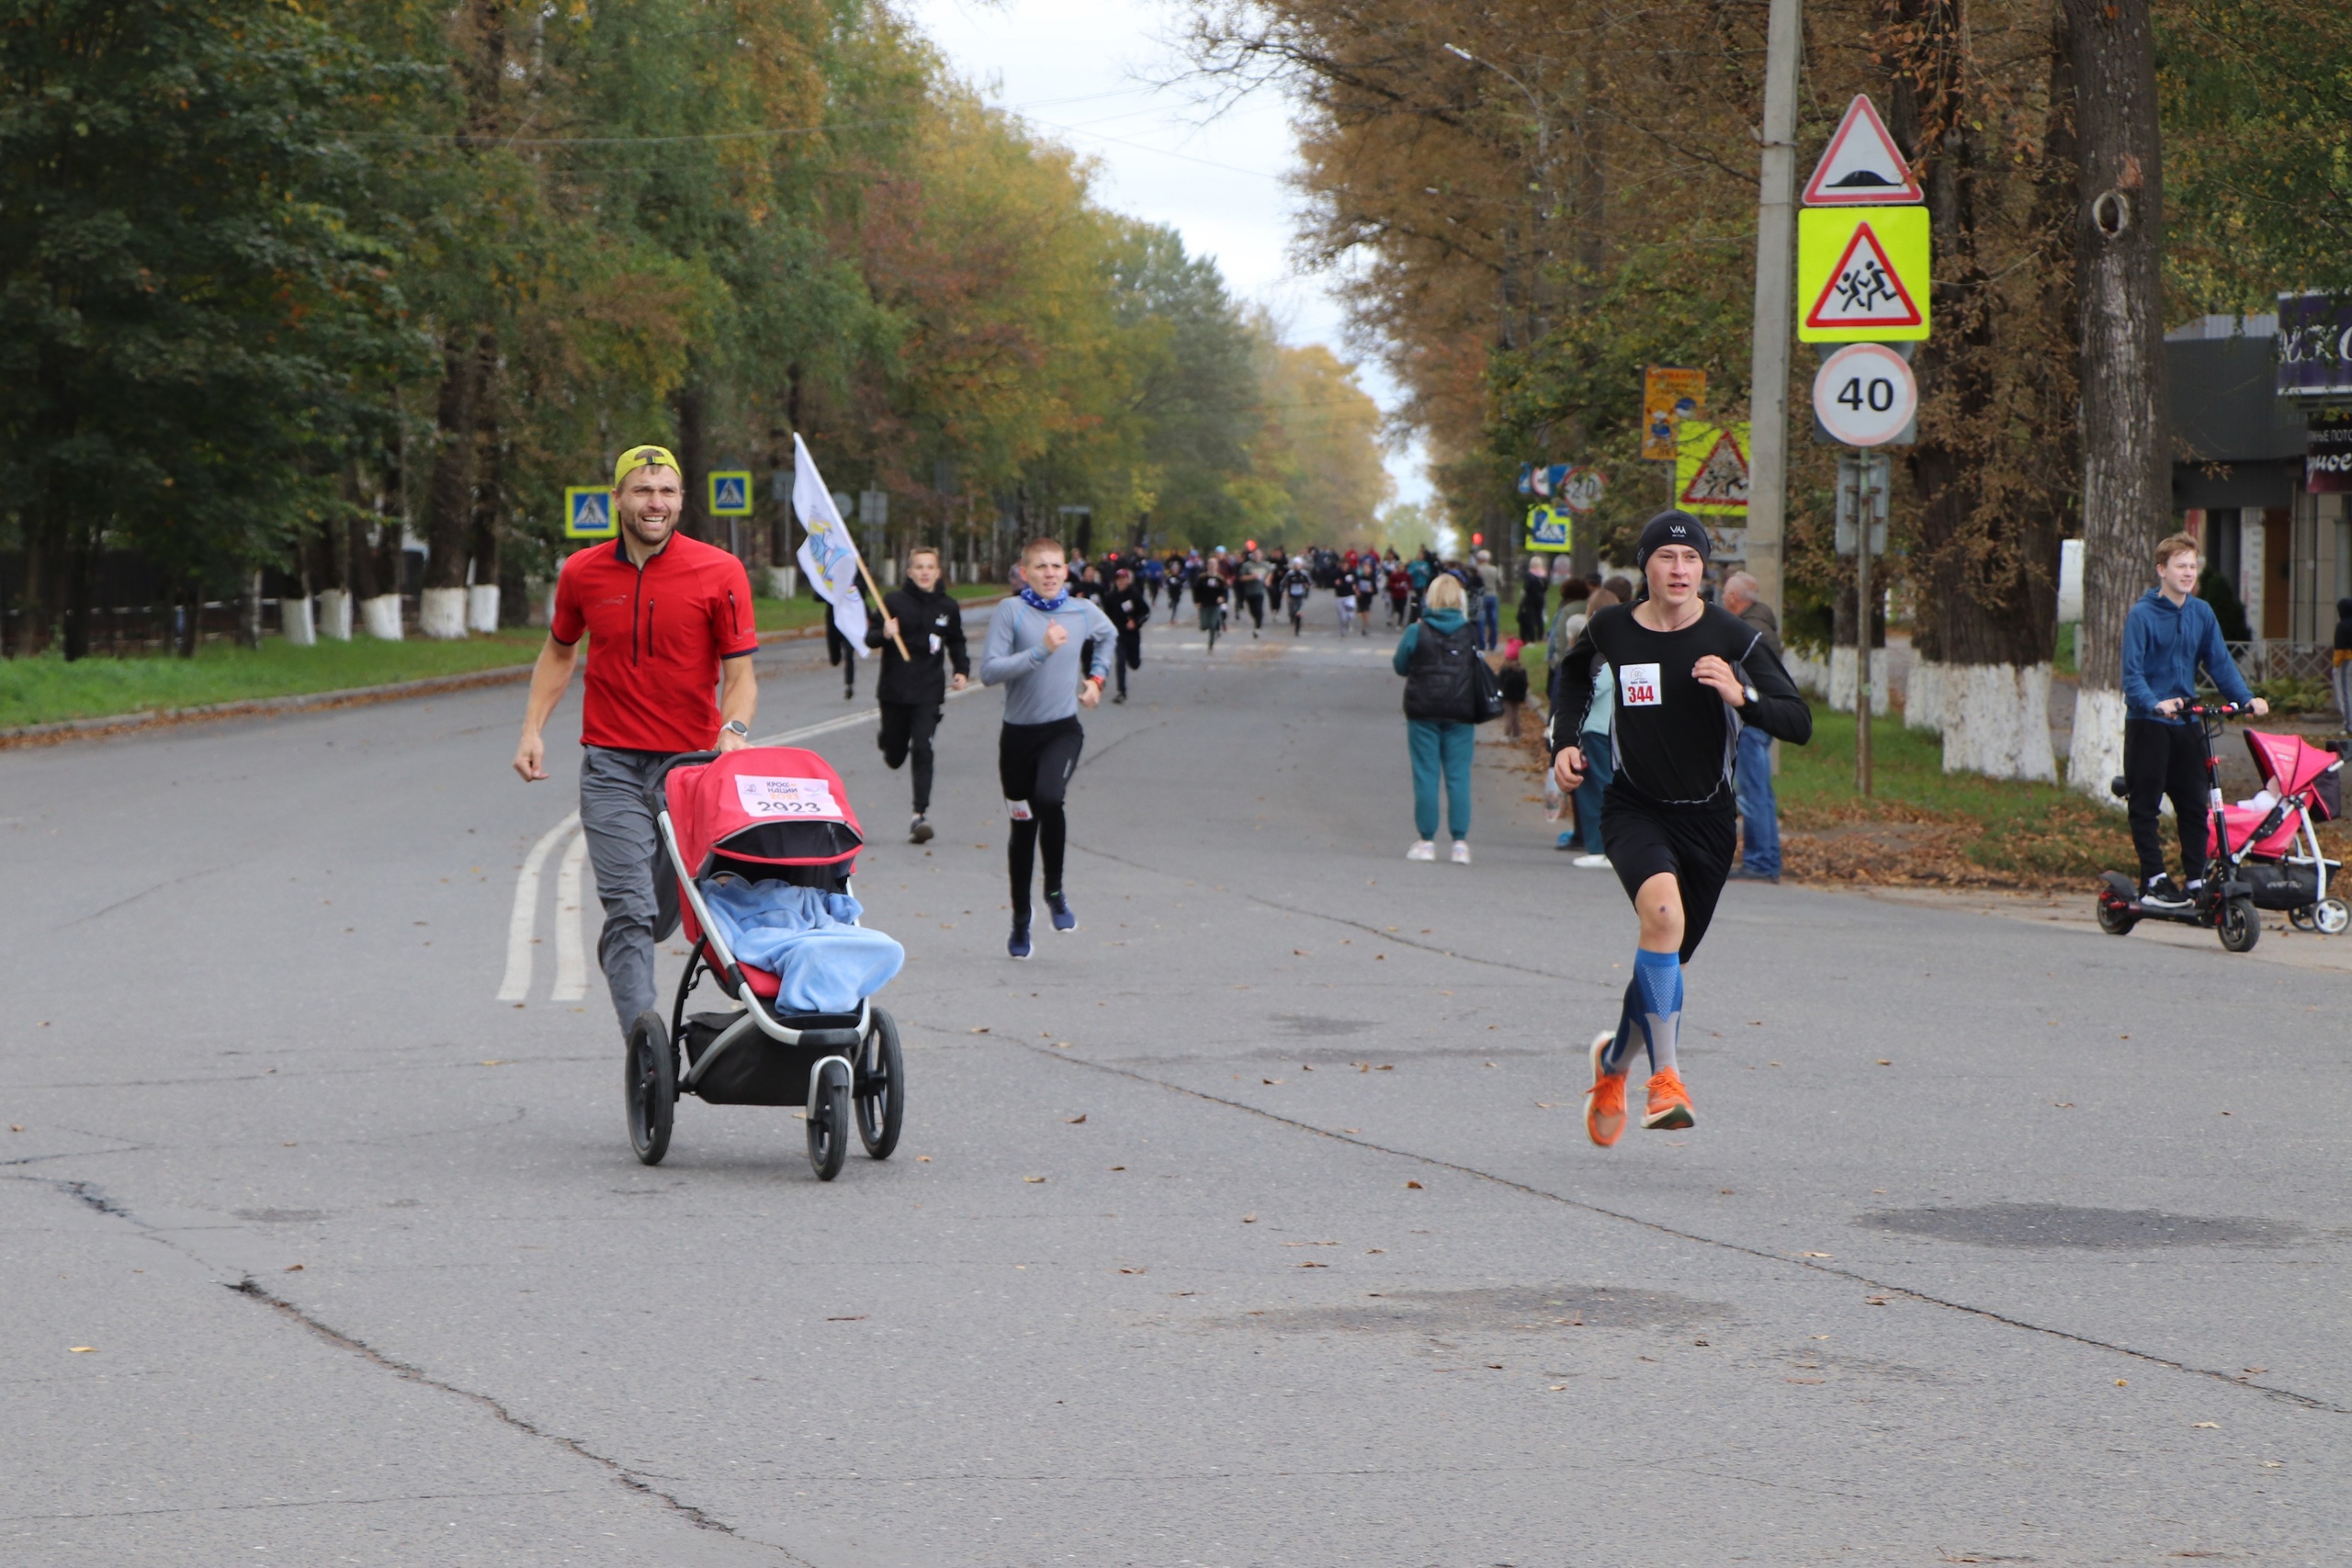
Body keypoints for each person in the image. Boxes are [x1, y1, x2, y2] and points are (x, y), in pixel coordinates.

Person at [1550, 511, 1812, 1146]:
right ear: (1647, 565)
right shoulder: (1614, 627)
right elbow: (1570, 674)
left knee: (1664, 957)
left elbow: (1797, 719)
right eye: (1667, 558)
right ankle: (1666, 1079)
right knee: (1662, 920)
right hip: (1635, 808)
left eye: (1691, 560)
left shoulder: (1732, 634)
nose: (1679, 570)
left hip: (1710, 823)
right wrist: (1562, 742)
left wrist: (1740, 696)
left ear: (1704, 569)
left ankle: (1613, 1065)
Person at [512, 444, 759, 1040]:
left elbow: (741, 672)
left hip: (689, 772)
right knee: (630, 909)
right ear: (617, 497)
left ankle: (628, 945)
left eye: (667, 491)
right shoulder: (582, 572)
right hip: (612, 767)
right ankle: (647, 1053)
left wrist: (734, 731)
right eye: (643, 490)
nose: (656, 502)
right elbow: (560, 650)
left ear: (680, 501)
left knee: (666, 914)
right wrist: (532, 729)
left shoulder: (720, 571)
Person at [980, 538, 1117, 960]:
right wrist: (1041, 651)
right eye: (1040, 567)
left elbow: (1108, 635)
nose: (1050, 573)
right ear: (1024, 572)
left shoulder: (1081, 610)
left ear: (1067, 570)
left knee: (1049, 798)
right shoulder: (1011, 611)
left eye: (1056, 565)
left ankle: (1055, 892)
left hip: (1062, 730)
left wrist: (1096, 680)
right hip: (1018, 738)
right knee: (1022, 829)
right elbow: (988, 671)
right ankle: (1022, 918)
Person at [2120, 533, 2266, 910]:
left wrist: (2245, 699)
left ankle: (2196, 879)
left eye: (2192, 566)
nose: (2188, 573)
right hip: (2149, 722)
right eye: (2180, 566)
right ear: (2161, 570)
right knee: (2146, 803)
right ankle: (2153, 879)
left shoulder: (2201, 613)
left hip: (2187, 723)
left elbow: (2219, 662)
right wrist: (2154, 703)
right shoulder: (2141, 615)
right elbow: (2132, 675)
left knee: (2193, 803)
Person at [868, 546, 969, 844]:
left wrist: (961, 669)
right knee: (896, 756)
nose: (925, 572)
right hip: (894, 691)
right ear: (910, 572)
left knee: (923, 748)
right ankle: (888, 741)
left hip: (928, 691)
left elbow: (957, 641)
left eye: (930, 567)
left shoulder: (948, 607)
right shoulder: (893, 602)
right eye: (919, 567)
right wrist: (884, 633)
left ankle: (919, 816)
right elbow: (870, 637)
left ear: (938, 573)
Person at [1392, 573, 1483, 863]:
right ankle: (1460, 843)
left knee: (1426, 774)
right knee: (1459, 776)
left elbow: (1400, 665)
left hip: (1423, 710)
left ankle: (1426, 841)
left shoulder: (1417, 630)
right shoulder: (1469, 631)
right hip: (1460, 711)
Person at [1719, 570, 1784, 884]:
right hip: (1763, 715)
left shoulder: (1748, 631)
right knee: (1761, 792)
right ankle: (1767, 859)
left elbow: (1742, 678)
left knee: (1751, 792)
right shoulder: (1763, 626)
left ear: (1734, 598)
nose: (1721, 600)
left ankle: (1760, 862)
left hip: (1750, 718)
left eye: (1724, 595)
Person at [1102, 564, 1151, 703]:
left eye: (1124, 579)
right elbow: (1106, 616)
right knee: (1120, 661)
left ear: (1128, 580)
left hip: (1132, 634)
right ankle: (1121, 692)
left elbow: (1146, 612)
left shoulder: (1134, 594)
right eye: (1119, 579)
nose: (1121, 581)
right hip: (1118, 635)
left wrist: (1136, 622)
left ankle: (1134, 661)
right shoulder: (1110, 597)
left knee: (1134, 664)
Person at [1191, 560, 1228, 650]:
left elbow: (1225, 591)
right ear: (1207, 566)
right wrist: (1197, 601)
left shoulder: (1220, 579)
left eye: (1214, 564)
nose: (1212, 566)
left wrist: (1222, 598)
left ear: (1217, 566)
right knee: (1204, 626)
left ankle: (1211, 644)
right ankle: (1206, 626)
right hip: (1204, 604)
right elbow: (1196, 590)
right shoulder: (1202, 578)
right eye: (1210, 564)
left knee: (1212, 624)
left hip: (1215, 604)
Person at [1498, 642, 1530, 740]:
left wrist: (1499, 692)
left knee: (1509, 715)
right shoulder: (1521, 670)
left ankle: (1507, 734)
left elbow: (1499, 682)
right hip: (1518, 696)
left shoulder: (1505, 670)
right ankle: (1517, 734)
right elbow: (1525, 684)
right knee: (1516, 715)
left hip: (1507, 696)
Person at [1518, 562, 1552, 648]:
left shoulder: (1530, 574)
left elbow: (1526, 587)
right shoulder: (1543, 575)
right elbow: (1546, 588)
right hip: (1540, 599)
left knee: (1530, 618)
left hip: (1530, 599)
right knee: (1539, 617)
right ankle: (1540, 636)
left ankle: (1531, 637)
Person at [2335, 597, 2352, 733]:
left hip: (2347, 662)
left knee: (2346, 694)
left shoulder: (2342, 626)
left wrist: (2336, 665)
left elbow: (2339, 649)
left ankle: (2349, 725)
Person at [1282, 558, 1312, 635]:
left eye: (1299, 564)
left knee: (1298, 612)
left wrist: (1306, 592)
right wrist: (1284, 592)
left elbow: (1309, 583)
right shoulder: (1290, 574)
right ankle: (1292, 618)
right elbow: (1283, 583)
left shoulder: (1304, 574)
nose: (1297, 566)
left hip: (1300, 595)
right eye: (1296, 565)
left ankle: (1297, 629)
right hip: (1291, 595)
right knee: (1292, 611)